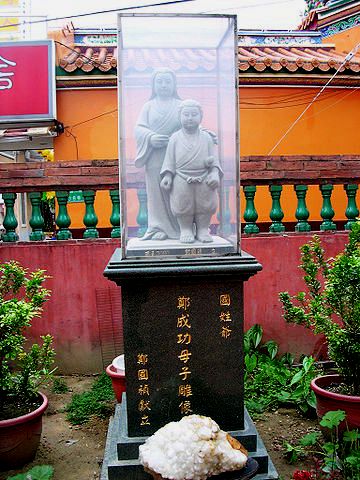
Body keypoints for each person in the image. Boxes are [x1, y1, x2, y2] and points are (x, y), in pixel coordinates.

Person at [160, 99, 222, 244]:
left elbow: (214, 159)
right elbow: (169, 160)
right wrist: (168, 175)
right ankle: (186, 229)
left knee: (205, 205)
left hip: (204, 177)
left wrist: (214, 173)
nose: (189, 118)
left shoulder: (207, 138)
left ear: (201, 116)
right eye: (186, 114)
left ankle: (202, 229)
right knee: (182, 206)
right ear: (179, 116)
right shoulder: (174, 138)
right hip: (181, 177)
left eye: (194, 114)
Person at [134, 68, 182, 241]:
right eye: (160, 81)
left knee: (177, 190)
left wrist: (205, 134)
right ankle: (158, 227)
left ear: (174, 84)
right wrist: (151, 137)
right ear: (153, 85)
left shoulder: (181, 105)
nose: (163, 85)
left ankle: (181, 226)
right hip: (154, 156)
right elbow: (139, 128)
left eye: (167, 81)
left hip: (177, 157)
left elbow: (192, 125)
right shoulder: (148, 106)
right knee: (156, 192)